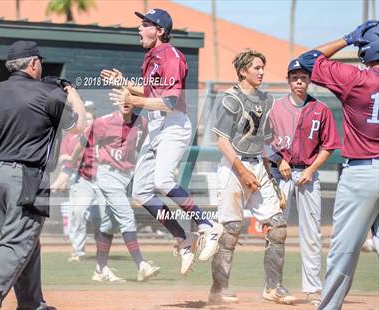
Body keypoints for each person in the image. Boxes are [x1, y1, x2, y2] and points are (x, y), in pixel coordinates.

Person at [101, 8, 223, 275]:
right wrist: (126, 84)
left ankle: (208, 224)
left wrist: (133, 100)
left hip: (173, 124)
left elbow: (169, 101)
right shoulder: (151, 56)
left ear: (160, 30)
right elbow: (150, 91)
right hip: (157, 126)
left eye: (145, 24)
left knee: (163, 181)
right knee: (141, 192)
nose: (139, 29)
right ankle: (183, 238)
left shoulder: (172, 56)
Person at [0, 40, 86, 309]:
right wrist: (71, 91)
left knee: (26, 241)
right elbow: (79, 125)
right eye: (40, 61)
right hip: (27, 176)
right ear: (33, 63)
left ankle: (32, 303)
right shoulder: (49, 94)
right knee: (17, 245)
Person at [297, 20, 379, 310]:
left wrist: (347, 38)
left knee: (344, 252)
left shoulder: (354, 77)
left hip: (361, 174)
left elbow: (306, 60)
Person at [208, 49, 297, 305]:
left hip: (258, 165)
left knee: (278, 227)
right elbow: (222, 140)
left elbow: (265, 139)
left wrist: (277, 161)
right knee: (231, 228)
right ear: (243, 71)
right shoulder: (230, 98)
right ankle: (219, 290)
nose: (261, 71)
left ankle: (274, 287)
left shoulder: (266, 100)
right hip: (233, 167)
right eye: (256, 67)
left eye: (262, 67)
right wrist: (242, 170)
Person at [268, 59, 341, 306]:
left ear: (310, 80)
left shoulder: (321, 109)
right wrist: (278, 161)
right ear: (288, 80)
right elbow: (262, 139)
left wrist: (311, 169)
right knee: (276, 232)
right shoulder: (275, 107)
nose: (299, 81)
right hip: (282, 174)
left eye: (303, 77)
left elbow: (329, 145)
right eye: (294, 77)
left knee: (311, 234)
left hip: (308, 174)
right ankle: (273, 286)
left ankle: (312, 289)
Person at [69, 102, 160, 282]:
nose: (125, 102)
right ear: (117, 101)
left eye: (129, 98)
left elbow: (148, 147)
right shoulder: (104, 122)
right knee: (127, 218)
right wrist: (72, 162)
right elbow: (82, 142)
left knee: (108, 224)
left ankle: (100, 269)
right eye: (122, 97)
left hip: (126, 176)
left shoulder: (141, 123)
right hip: (107, 175)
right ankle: (141, 264)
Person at [51, 111, 95, 262]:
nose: (87, 121)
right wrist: (57, 183)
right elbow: (66, 161)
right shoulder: (71, 137)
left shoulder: (101, 136)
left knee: (102, 219)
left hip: (100, 179)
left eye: (90, 118)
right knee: (77, 213)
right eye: (85, 118)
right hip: (79, 179)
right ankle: (78, 251)